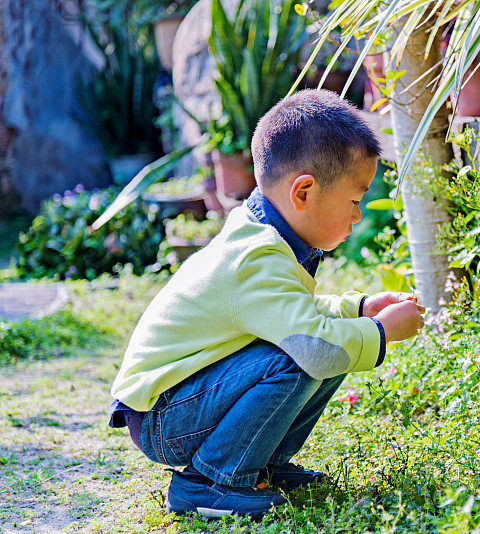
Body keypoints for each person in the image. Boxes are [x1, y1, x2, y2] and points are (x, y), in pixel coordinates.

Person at [107, 89, 426, 520]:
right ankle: (212, 480)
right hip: (163, 417)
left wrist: (360, 310)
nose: (357, 215)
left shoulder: (265, 234)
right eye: (354, 200)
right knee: (310, 353)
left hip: (180, 401)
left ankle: (260, 466)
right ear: (304, 192)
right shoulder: (256, 257)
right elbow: (313, 342)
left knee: (326, 345)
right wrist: (383, 331)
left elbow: (297, 317)